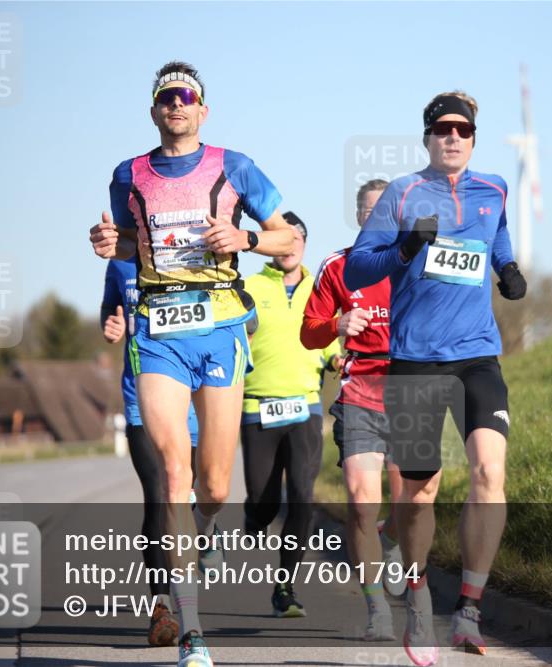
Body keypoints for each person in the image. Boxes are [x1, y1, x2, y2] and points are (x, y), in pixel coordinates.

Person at [89, 61, 294, 667]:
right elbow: (131, 242)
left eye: (186, 96)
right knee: (173, 474)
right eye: (165, 97)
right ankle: (193, 633)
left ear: (204, 109)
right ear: (153, 111)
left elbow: (286, 236)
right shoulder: (128, 174)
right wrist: (110, 246)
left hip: (221, 328)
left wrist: (247, 240)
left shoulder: (236, 165)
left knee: (214, 485)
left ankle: (201, 537)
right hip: (157, 333)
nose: (176, 104)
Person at [343, 91, 528, 666]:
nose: (453, 138)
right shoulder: (401, 195)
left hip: (476, 355)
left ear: (474, 138)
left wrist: (508, 269)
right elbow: (358, 265)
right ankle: (419, 593)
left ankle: (470, 609)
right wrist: (403, 247)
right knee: (418, 493)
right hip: (416, 358)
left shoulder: (494, 188)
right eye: (443, 129)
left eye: (463, 130)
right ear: (427, 137)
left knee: (488, 472)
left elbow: (495, 239)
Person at [300, 179, 405, 642]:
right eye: (369, 210)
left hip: (411, 391)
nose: (376, 217)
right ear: (359, 216)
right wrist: (337, 324)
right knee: (363, 502)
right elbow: (308, 333)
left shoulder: (417, 264)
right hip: (359, 392)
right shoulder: (337, 267)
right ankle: (376, 608)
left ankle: (396, 538)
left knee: (408, 505)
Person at [240, 212, 340, 618]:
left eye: (296, 237)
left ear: (304, 243)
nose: (289, 245)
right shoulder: (248, 287)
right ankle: (254, 515)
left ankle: (286, 585)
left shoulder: (322, 289)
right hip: (256, 407)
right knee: (264, 502)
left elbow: (330, 339)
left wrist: (336, 360)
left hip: (304, 407)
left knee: (301, 495)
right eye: (280, 237)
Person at [100, 256, 202, 647]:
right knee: (160, 497)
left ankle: (205, 530)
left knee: (190, 499)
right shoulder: (120, 264)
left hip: (194, 400)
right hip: (140, 400)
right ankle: (162, 605)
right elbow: (110, 308)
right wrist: (110, 324)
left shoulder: (192, 251)